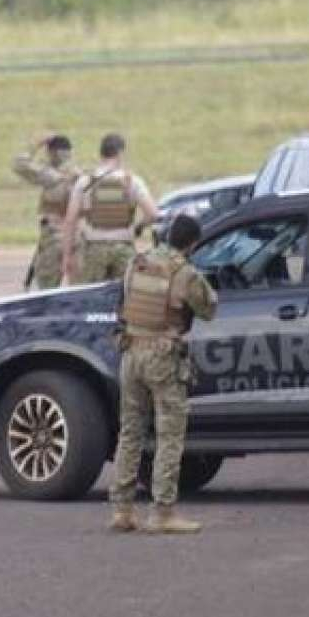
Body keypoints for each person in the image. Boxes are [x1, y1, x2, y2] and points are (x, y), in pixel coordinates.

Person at [109, 213, 217, 534]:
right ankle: (163, 512)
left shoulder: (136, 263)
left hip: (130, 354)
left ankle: (122, 510)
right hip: (163, 358)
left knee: (130, 433)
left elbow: (122, 304)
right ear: (193, 243)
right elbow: (209, 309)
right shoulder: (185, 273)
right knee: (169, 434)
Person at [60, 132, 159, 285]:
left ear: (101, 153)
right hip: (123, 249)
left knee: (90, 299)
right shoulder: (132, 181)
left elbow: (70, 220)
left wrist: (67, 256)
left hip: (93, 250)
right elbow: (153, 214)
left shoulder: (85, 182)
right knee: (123, 300)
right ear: (120, 153)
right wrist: (138, 227)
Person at [12, 132, 81, 289]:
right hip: (78, 237)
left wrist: (36, 143)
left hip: (54, 236)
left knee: (47, 289)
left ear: (52, 153)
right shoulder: (80, 176)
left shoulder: (51, 176)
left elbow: (19, 164)